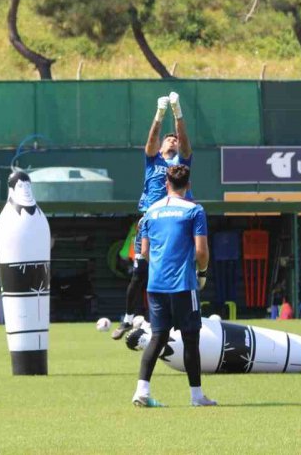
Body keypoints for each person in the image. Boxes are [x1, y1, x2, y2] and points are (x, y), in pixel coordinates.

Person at [112, 91, 194, 340]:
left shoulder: (180, 165)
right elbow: (150, 142)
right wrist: (159, 116)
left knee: (172, 271)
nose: (172, 141)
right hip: (149, 223)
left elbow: (186, 142)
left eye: (175, 139)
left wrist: (177, 112)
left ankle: (173, 322)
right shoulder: (153, 160)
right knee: (140, 273)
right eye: (168, 139)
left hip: (172, 224)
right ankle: (127, 318)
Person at [132, 164, 215, 408]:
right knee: (190, 339)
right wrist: (202, 273)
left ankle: (142, 392)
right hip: (183, 285)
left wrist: (160, 265)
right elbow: (201, 251)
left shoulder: (151, 212)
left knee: (157, 337)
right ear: (188, 186)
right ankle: (197, 397)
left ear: (166, 185)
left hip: (156, 285)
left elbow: (144, 251)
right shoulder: (195, 210)